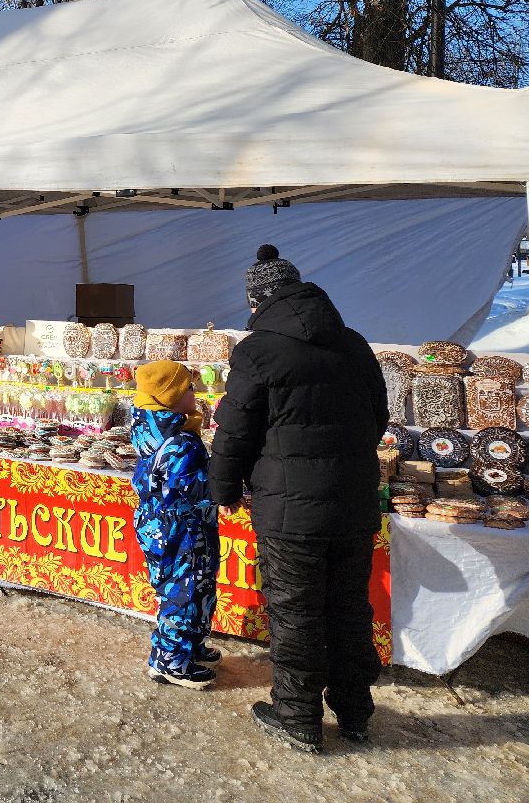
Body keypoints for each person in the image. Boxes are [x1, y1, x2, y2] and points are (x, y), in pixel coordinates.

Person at [209, 244, 386, 754]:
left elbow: (235, 430)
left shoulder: (258, 350)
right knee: (349, 608)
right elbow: (378, 417)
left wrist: (224, 488)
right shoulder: (354, 344)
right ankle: (354, 713)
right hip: (352, 503)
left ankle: (298, 717)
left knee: (296, 614)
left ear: (257, 300)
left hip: (290, 511)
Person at [130, 360, 220, 690]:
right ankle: (169, 660)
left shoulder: (155, 429)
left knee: (193, 588)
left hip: (165, 525)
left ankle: (189, 645)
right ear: (170, 397)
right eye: (189, 389)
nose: (195, 394)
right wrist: (226, 489)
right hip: (181, 530)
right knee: (183, 592)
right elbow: (196, 489)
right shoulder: (180, 442)